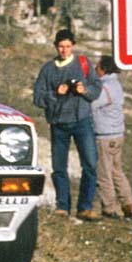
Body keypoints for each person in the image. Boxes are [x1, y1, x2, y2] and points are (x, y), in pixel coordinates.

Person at [33, 29, 102, 220]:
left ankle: (85, 207)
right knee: (59, 168)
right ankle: (62, 206)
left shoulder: (83, 64)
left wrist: (83, 90)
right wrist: (56, 93)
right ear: (56, 47)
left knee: (90, 165)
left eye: (68, 46)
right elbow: (38, 98)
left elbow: (96, 88)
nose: (64, 50)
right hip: (59, 123)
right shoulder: (48, 69)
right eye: (61, 47)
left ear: (73, 46)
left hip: (82, 121)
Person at [90, 55, 132, 220]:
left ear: (103, 69)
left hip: (105, 135)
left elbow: (92, 104)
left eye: (97, 67)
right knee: (117, 171)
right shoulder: (116, 84)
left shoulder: (105, 87)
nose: (95, 70)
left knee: (104, 173)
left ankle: (109, 208)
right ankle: (128, 204)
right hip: (117, 134)